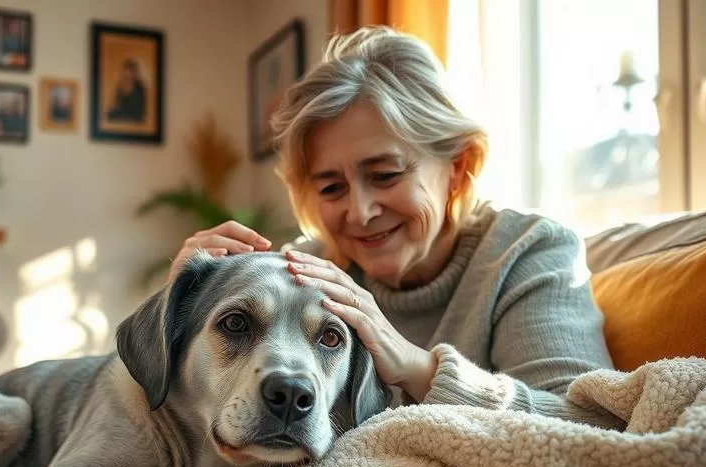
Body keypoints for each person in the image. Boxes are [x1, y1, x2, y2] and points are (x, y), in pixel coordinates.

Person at [167, 26, 622, 429]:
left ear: (458, 168)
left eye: (385, 175)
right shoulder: (309, 270)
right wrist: (183, 308)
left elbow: (592, 426)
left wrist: (416, 367)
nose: (360, 212)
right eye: (331, 188)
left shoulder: (530, 254)